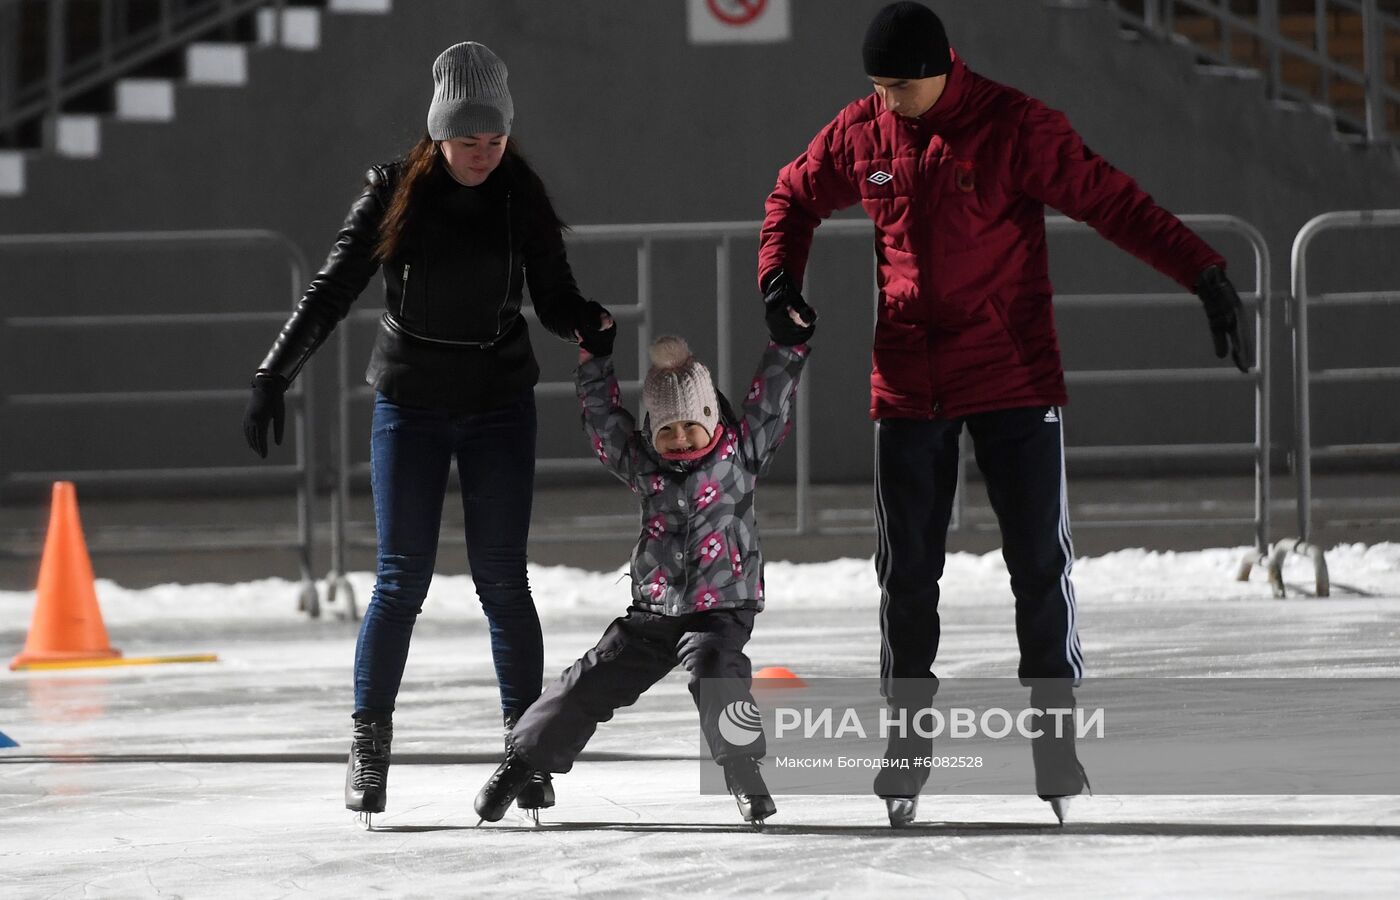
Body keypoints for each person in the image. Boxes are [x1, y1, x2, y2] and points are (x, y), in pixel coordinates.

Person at [756, 1, 1251, 826]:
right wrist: (779, 282)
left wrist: (1201, 271)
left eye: (900, 87)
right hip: (909, 383)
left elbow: (1112, 201)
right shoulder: (865, 131)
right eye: (876, 87)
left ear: (940, 68)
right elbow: (792, 197)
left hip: (1013, 376)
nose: (888, 101)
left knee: (1038, 569)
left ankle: (1055, 741)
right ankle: (908, 748)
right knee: (906, 578)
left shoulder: (1015, 125)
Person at [241, 41, 614, 823]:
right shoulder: (392, 191)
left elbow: (553, 294)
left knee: (504, 583)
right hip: (410, 402)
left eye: (496, 140)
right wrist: (275, 372)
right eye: (468, 141)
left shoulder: (519, 193)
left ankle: (528, 749)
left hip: (498, 403)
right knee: (400, 579)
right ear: (438, 135)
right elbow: (334, 286)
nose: (484, 155)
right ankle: (369, 746)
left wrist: (585, 320)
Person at [471, 314, 813, 828]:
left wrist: (788, 343)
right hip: (653, 612)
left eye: (689, 426)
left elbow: (772, 398)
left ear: (710, 418)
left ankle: (744, 771)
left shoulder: (741, 452)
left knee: (716, 673)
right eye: (666, 429)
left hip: (721, 609)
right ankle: (521, 763)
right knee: (586, 680)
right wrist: (594, 359)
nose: (678, 439)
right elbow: (601, 418)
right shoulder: (642, 463)